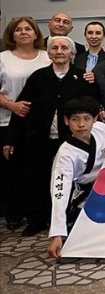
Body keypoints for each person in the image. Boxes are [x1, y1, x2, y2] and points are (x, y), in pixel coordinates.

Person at [4, 36, 96, 236]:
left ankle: (68, 220)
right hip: (39, 138)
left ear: (72, 53)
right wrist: (11, 139)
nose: (59, 51)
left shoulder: (82, 77)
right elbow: (22, 108)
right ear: (49, 53)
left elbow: (93, 109)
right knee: (36, 179)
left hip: (72, 141)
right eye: (54, 48)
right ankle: (37, 221)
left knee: (69, 180)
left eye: (64, 48)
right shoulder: (38, 77)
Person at [47, 96, 105, 259]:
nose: (81, 124)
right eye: (75, 119)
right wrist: (56, 233)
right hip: (86, 196)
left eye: (86, 119)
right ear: (66, 121)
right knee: (84, 238)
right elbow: (59, 194)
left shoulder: (100, 129)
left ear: (95, 118)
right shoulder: (65, 154)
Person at [0, 17, 51, 231]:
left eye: (28, 29)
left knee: (37, 169)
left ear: (35, 33)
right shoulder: (3, 58)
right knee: (11, 169)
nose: (23, 32)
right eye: (18, 30)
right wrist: (11, 105)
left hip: (40, 123)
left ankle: (39, 213)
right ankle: (13, 213)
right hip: (8, 120)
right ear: (11, 35)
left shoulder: (46, 56)